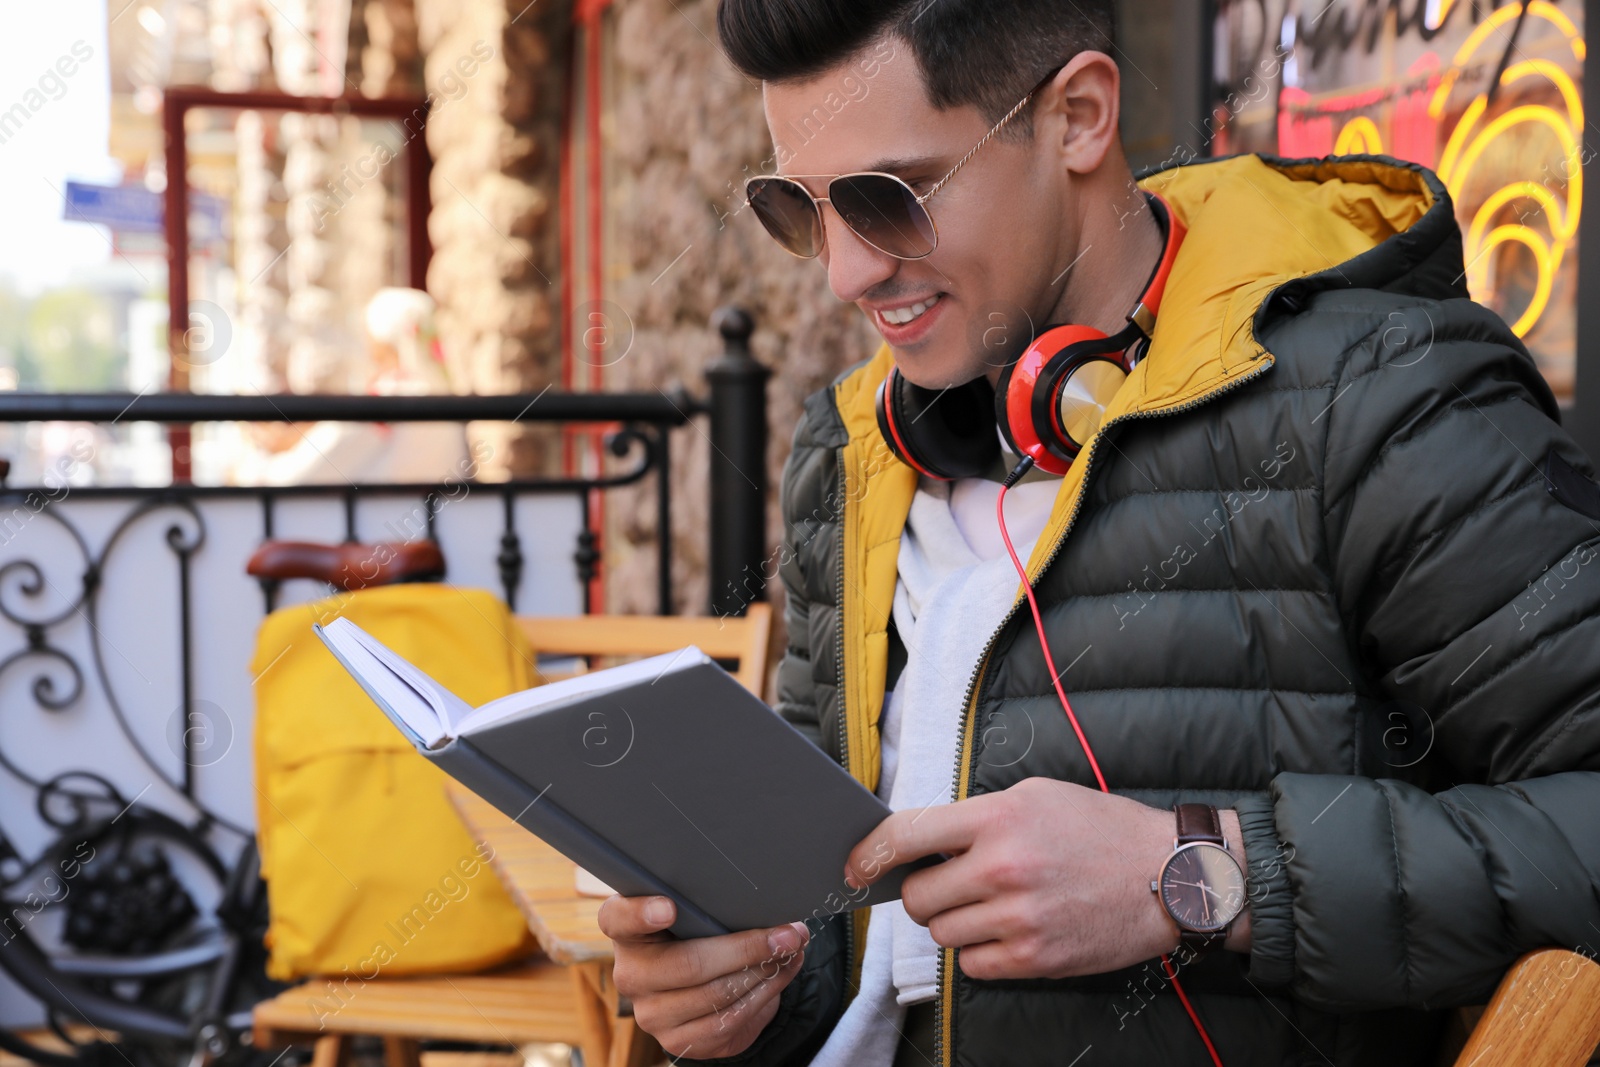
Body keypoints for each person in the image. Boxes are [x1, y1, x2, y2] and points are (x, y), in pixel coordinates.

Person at [596, 3, 1600, 1065]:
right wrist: (735, 992)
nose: (845, 271)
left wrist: (1191, 875)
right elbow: (843, 948)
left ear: (1077, 116)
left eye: (886, 198)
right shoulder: (849, 447)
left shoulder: (1383, 402)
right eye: (798, 209)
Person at [230, 287, 469, 486]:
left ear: (382, 341)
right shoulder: (440, 393)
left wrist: (250, 471)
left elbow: (303, 472)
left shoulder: (390, 396)